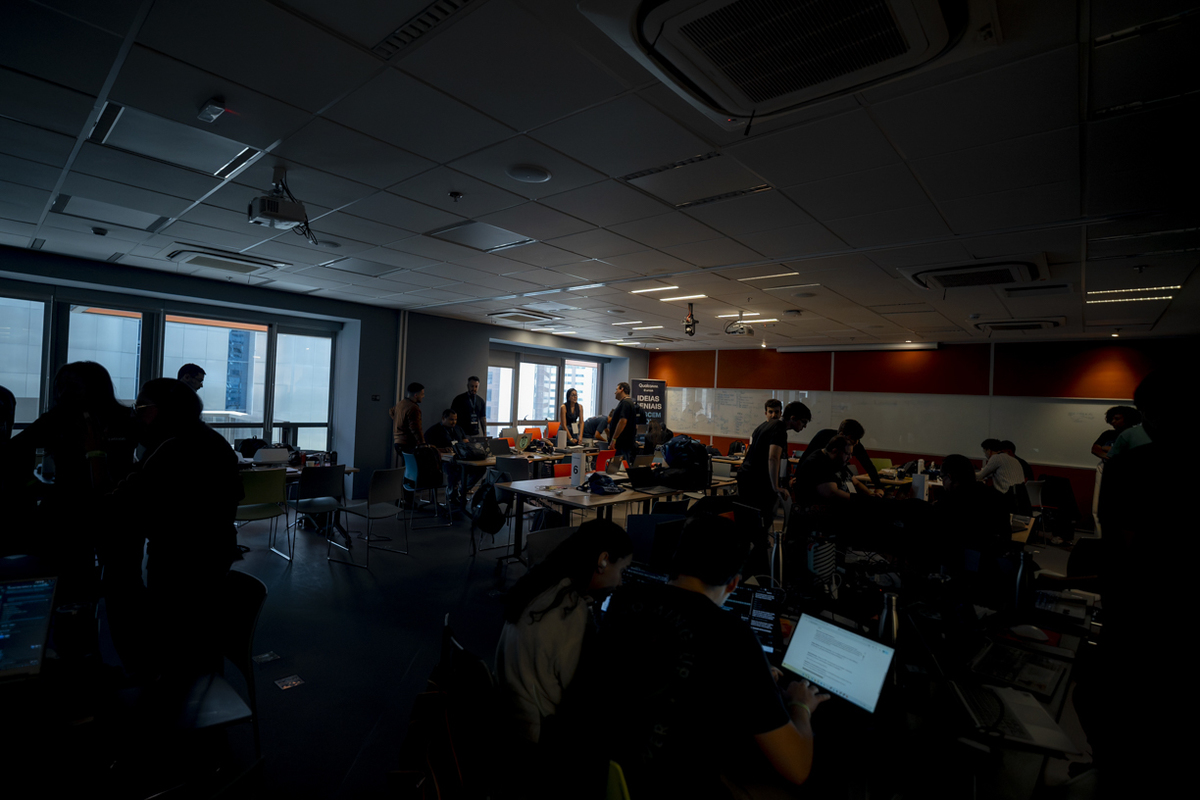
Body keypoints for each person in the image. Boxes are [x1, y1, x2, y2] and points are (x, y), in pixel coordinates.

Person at [576, 514, 828, 798]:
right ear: (733, 584)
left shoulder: (624, 599)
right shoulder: (734, 637)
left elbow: (663, 660)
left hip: (598, 773)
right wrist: (800, 706)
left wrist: (747, 678)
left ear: (676, 559)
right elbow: (796, 768)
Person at [96, 378, 242, 679]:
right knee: (201, 635)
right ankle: (206, 695)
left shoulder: (172, 447)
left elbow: (124, 500)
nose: (136, 414)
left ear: (166, 409)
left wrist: (94, 453)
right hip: (213, 550)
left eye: (141, 407)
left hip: (180, 557)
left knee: (176, 637)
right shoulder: (208, 439)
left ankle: (178, 696)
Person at [495, 519, 633, 744]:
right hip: (537, 740)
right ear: (603, 561)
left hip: (510, 721)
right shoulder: (569, 611)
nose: (620, 583)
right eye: (622, 571)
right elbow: (585, 699)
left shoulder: (543, 586)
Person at [738, 400, 811, 519]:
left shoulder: (764, 425)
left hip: (747, 478)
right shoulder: (779, 429)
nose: (805, 426)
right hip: (757, 482)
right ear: (793, 418)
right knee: (761, 520)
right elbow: (773, 458)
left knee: (750, 519)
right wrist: (776, 486)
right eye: (803, 422)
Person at [930, 454, 1012, 559]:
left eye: (942, 477)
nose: (943, 483)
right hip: (994, 561)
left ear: (950, 477)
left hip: (962, 562)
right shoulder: (997, 497)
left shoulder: (948, 504)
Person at [790, 419, 884, 496]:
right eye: (854, 439)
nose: (856, 443)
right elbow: (806, 457)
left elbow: (868, 465)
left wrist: (878, 488)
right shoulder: (823, 439)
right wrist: (797, 476)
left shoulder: (854, 446)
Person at [1089, 405, 1140, 535]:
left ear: (1127, 419)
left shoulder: (1136, 434)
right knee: (1100, 505)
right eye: (1111, 419)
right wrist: (1108, 453)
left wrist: (1107, 448)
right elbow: (1095, 449)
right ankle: (1100, 536)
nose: (1113, 422)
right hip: (1105, 469)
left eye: (1117, 419)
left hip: (1126, 473)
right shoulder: (1108, 434)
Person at [608, 382, 639, 466]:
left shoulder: (626, 403)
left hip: (622, 444)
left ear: (622, 389)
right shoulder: (628, 403)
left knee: (621, 468)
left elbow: (622, 421)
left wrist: (614, 439)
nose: (615, 392)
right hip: (624, 443)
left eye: (616, 389)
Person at [390, 382, 425, 455]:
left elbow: (391, 412)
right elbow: (416, 428)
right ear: (416, 395)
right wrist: (422, 443)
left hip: (398, 442)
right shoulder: (413, 408)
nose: (423, 396)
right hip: (408, 443)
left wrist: (400, 423)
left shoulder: (400, 404)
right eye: (422, 394)